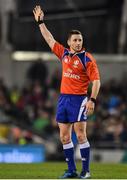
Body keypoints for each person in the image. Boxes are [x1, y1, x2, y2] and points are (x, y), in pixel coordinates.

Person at [33, 5, 101, 179]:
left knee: (80, 135)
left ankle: (86, 171)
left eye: (80, 40)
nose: (78, 42)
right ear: (69, 42)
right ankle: (71, 170)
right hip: (64, 99)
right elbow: (49, 39)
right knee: (64, 137)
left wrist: (92, 100)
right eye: (75, 40)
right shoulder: (64, 54)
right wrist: (40, 22)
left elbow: (96, 81)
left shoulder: (87, 59)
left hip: (79, 100)